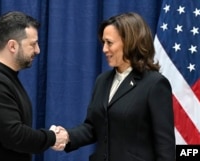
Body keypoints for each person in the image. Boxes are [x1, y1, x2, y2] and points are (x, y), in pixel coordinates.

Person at [51, 12, 176, 161]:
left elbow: (165, 147)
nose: (104, 49)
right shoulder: (102, 80)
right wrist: (67, 136)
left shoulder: (155, 84)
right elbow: (93, 127)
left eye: (109, 43)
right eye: (103, 42)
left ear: (130, 42)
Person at [0, 11, 68, 161]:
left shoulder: (4, 77)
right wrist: (52, 137)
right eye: (33, 44)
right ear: (12, 46)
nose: (38, 50)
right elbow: (15, 136)